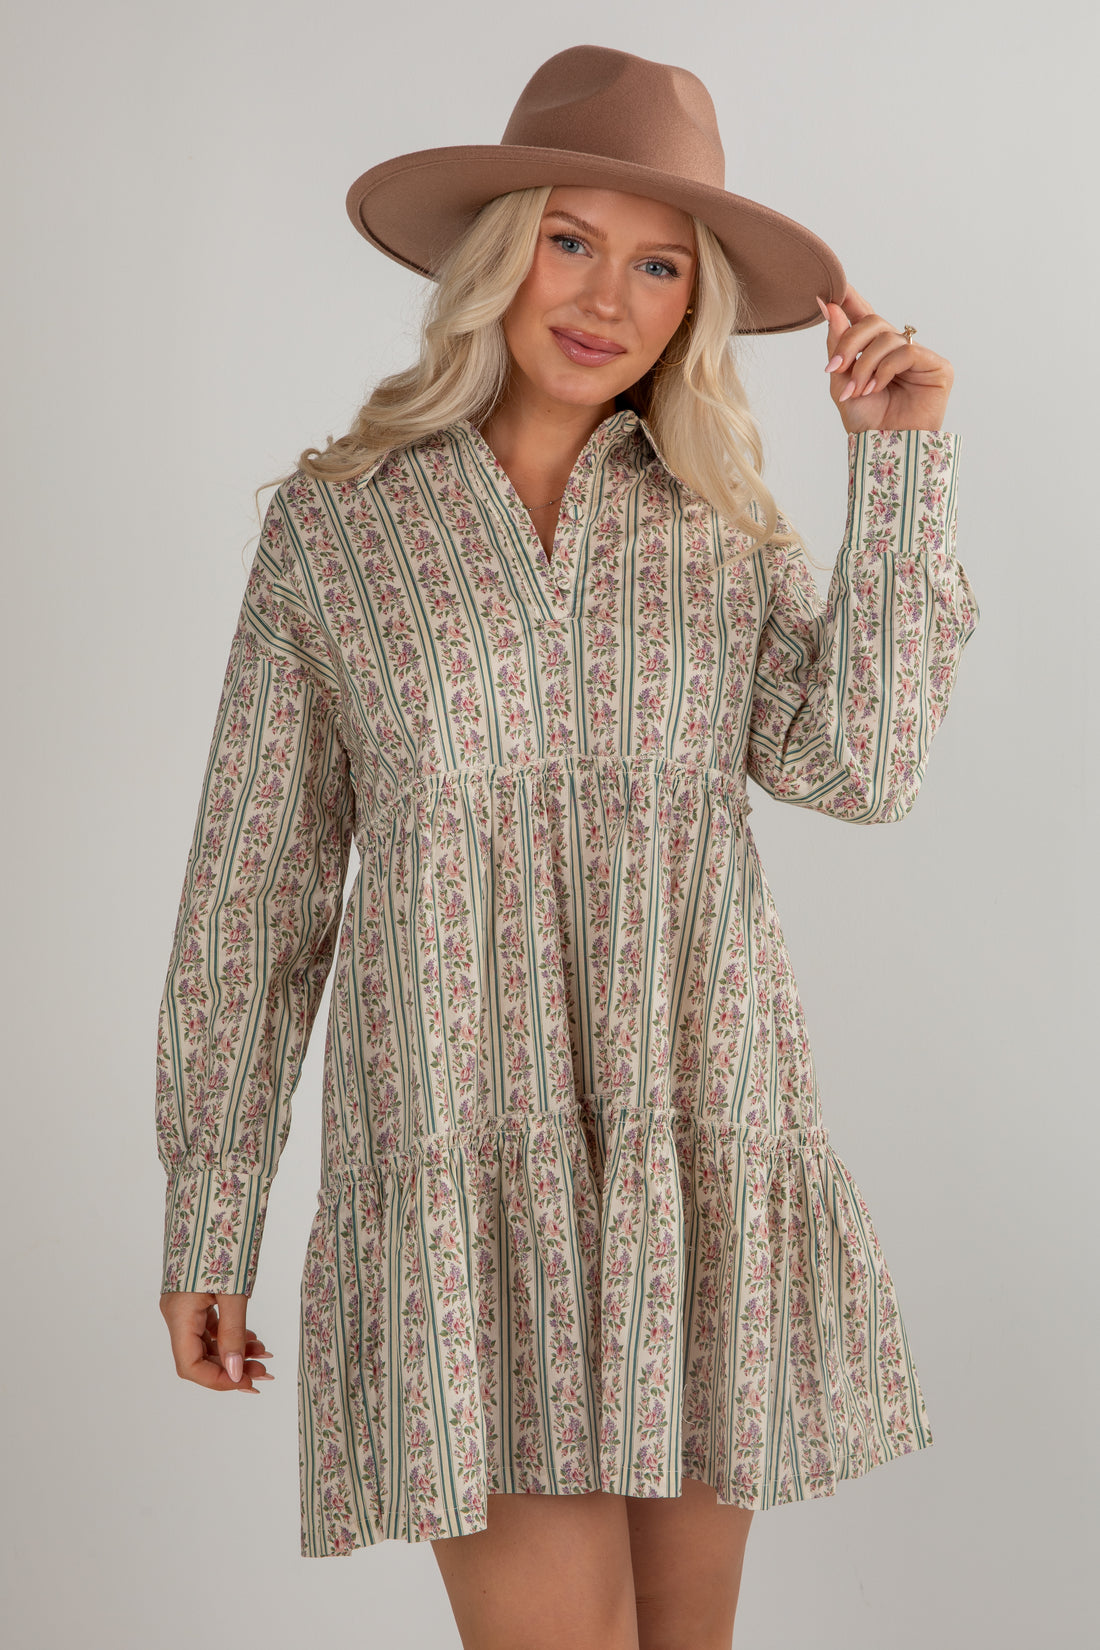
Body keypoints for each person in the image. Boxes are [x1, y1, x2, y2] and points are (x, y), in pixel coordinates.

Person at [155, 43, 979, 1650]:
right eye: (572, 239)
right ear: (497, 252)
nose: (609, 294)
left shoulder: (719, 524)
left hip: (692, 1151)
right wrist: (211, 1207)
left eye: (661, 262)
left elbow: (863, 767)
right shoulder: (335, 529)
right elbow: (255, 891)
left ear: (695, 303)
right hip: (465, 1166)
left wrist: (902, 459)